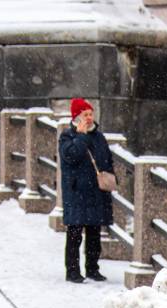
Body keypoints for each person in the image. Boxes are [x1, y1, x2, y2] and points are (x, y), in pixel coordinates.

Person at [58, 97, 113, 283]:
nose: (89, 118)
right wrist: (81, 137)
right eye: (85, 115)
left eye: (91, 114)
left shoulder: (99, 136)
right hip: (76, 191)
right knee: (75, 233)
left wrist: (110, 176)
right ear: (76, 117)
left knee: (94, 233)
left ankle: (92, 268)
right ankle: (72, 271)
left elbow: (107, 158)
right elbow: (70, 156)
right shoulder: (68, 136)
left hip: (96, 191)